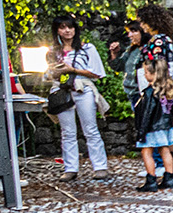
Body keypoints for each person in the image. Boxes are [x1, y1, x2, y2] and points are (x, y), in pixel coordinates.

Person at [43, 14, 110, 181]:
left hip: (82, 88)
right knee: (67, 132)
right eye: (62, 27)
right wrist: (55, 71)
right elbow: (46, 75)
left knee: (90, 128)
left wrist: (72, 70)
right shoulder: (52, 52)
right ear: (57, 30)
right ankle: (70, 168)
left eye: (70, 27)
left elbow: (96, 73)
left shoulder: (87, 48)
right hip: (61, 89)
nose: (67, 31)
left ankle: (100, 166)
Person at [137, 5, 173, 183]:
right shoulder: (162, 40)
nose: (142, 26)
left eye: (143, 22)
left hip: (161, 90)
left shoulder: (159, 42)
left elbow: (160, 66)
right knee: (170, 125)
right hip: (165, 89)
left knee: (170, 125)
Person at [133, 58, 173, 192]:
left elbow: (146, 114)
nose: (144, 75)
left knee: (146, 152)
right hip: (165, 126)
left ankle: (151, 179)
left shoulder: (149, 93)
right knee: (164, 150)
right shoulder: (167, 90)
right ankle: (169, 177)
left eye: (146, 72)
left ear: (153, 74)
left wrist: (141, 132)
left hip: (152, 128)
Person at [109, 19, 143, 90]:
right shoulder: (131, 49)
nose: (130, 35)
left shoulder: (151, 49)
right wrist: (114, 53)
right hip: (131, 92)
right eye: (129, 32)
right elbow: (118, 66)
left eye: (133, 32)